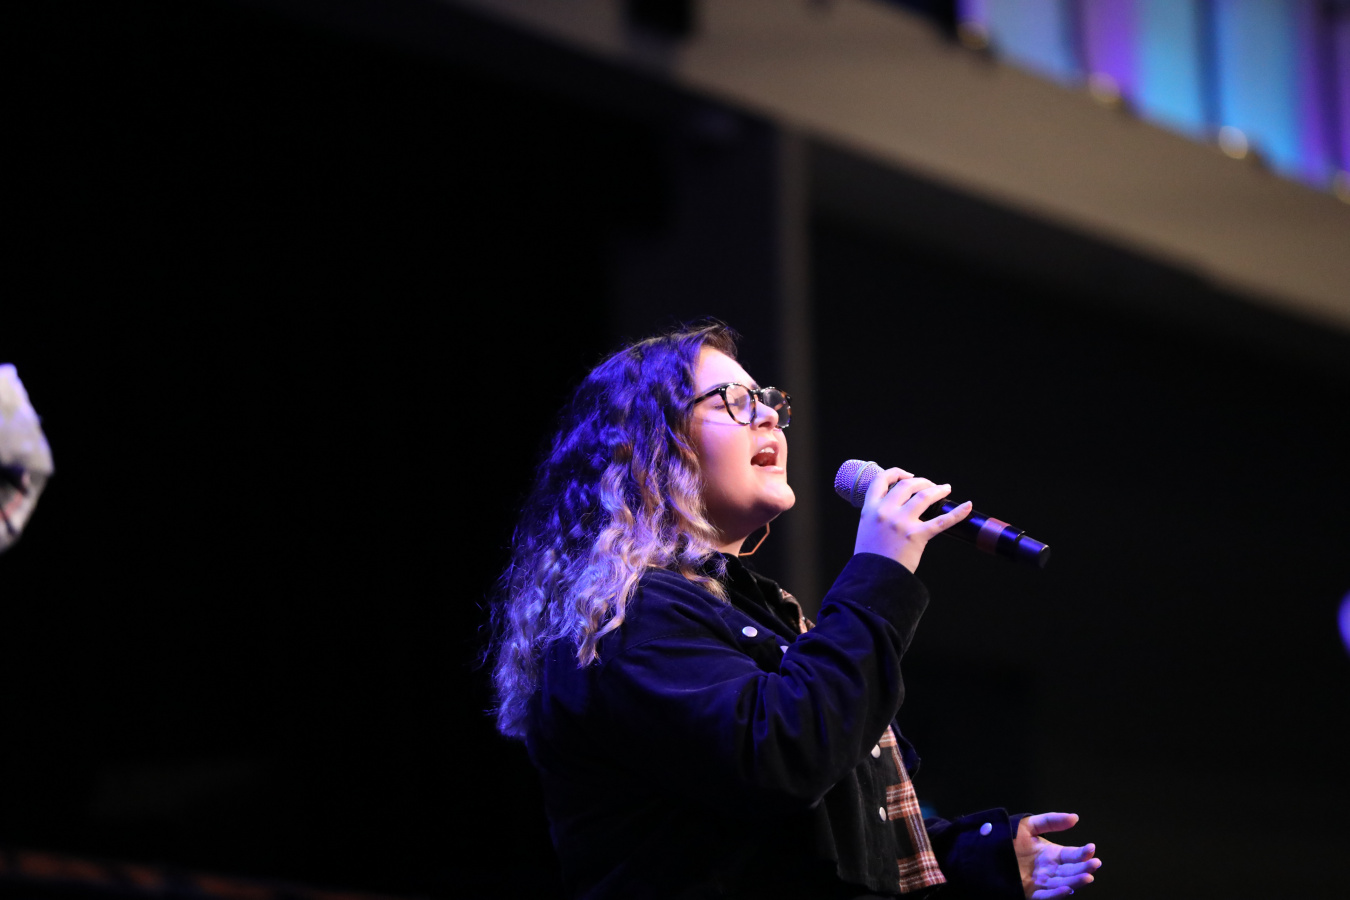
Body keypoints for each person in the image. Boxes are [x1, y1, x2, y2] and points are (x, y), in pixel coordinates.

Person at [489, 322, 1101, 899]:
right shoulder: (626, 617)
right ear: (649, 443)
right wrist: (879, 571)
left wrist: (980, 856)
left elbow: (835, 834)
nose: (767, 417)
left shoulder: (762, 612)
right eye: (733, 400)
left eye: (767, 400)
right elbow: (784, 757)